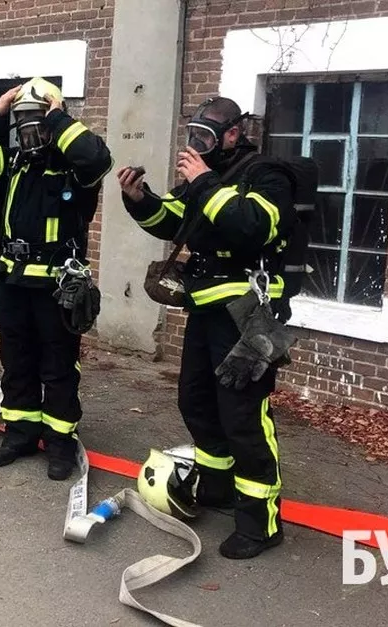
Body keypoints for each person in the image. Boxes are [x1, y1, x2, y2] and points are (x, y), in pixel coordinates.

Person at [116, 96, 298, 559]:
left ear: (233, 133)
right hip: (205, 306)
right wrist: (139, 198)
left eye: (207, 136)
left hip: (245, 312)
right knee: (195, 400)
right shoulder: (207, 179)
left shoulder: (266, 174)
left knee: (243, 413)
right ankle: (218, 487)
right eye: (193, 135)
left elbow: (252, 226)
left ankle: (260, 523)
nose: (197, 144)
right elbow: (175, 224)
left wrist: (204, 181)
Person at [0, 77, 113, 481]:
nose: (30, 132)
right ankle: (21, 433)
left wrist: (58, 119)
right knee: (16, 361)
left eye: (37, 122)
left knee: (58, 366)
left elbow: (98, 158)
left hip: (56, 287)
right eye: (23, 122)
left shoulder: (74, 168)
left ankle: (60, 443)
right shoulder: (15, 163)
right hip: (13, 283)